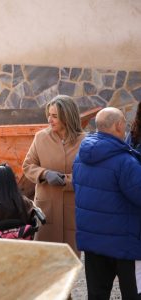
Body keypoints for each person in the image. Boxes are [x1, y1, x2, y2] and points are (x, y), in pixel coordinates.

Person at [73, 107, 141, 299]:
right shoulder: (125, 162)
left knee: (96, 295)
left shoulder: (80, 158)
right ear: (119, 126)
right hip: (125, 244)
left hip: (93, 242)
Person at [22, 95, 84, 254]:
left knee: (70, 259)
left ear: (67, 116)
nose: (50, 119)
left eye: (55, 116)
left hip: (73, 208)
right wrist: (44, 174)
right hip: (46, 208)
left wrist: (66, 180)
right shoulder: (40, 137)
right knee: (45, 257)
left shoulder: (84, 141)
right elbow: (28, 165)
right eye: (49, 115)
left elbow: (88, 174)